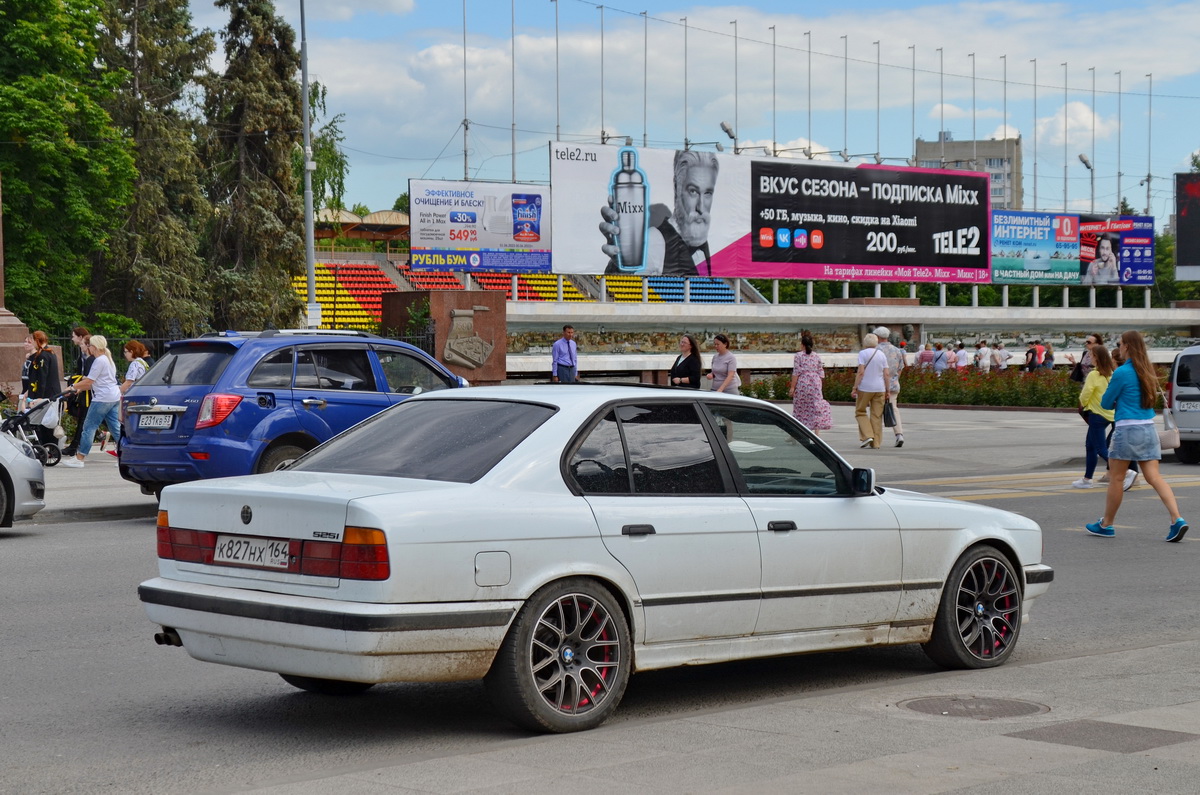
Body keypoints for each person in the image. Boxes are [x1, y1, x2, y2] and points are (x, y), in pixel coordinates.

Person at [1086, 330, 1187, 542]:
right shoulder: (1147, 371)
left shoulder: (1122, 373)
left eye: (1121, 343)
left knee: (1116, 478)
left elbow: (1105, 403)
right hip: (1148, 428)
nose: (1119, 346)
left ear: (1127, 347)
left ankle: (1107, 524)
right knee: (1155, 477)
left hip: (1126, 430)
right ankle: (1176, 519)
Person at [600, 149, 717, 276]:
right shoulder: (655, 241)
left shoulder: (702, 240)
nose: (701, 206)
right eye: (693, 191)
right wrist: (619, 266)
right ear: (676, 187)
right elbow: (619, 286)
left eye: (707, 193)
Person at [59, 335, 122, 469]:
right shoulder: (108, 359)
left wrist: (73, 387)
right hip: (113, 396)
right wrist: (79, 389)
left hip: (102, 398)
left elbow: (89, 381)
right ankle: (126, 456)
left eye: (90, 346)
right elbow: (93, 382)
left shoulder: (99, 361)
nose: (89, 348)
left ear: (94, 347)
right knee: (116, 428)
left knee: (88, 427)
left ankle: (80, 458)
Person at [1073, 344, 1116, 489]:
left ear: (1097, 357)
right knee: (1090, 446)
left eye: (1091, 355)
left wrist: (1083, 405)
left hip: (1096, 414)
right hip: (1109, 414)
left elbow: (1086, 394)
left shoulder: (1094, 374)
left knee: (1100, 448)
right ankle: (1087, 479)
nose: (1089, 357)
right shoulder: (1111, 374)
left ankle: (1126, 471)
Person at [19, 331, 62, 447]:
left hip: (46, 393)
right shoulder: (49, 353)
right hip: (52, 392)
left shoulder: (43, 356)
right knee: (48, 422)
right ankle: (50, 446)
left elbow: (42, 378)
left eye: (33, 341)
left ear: (37, 341)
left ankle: (46, 446)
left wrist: (38, 397)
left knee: (44, 423)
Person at [788, 330, 832, 435]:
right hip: (815, 383)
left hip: (803, 383)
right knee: (816, 407)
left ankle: (796, 433)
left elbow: (796, 372)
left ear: (802, 345)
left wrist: (792, 388)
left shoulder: (798, 356)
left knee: (800, 409)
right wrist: (818, 386)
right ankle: (817, 433)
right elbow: (821, 372)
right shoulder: (816, 356)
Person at [851, 332, 890, 449]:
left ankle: (867, 435)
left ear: (865, 342)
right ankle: (876, 443)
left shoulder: (862, 353)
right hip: (880, 388)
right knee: (876, 415)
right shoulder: (881, 354)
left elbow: (861, 372)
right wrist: (888, 390)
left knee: (860, 412)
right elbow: (886, 374)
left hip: (865, 388)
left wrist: (854, 387)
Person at [62, 327, 94, 457]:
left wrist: (77, 386)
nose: (72, 339)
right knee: (88, 420)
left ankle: (76, 448)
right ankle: (76, 447)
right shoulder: (84, 356)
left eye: (74, 336)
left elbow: (88, 376)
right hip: (87, 391)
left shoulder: (91, 358)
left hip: (91, 393)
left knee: (86, 421)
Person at [874, 326, 906, 448]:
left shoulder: (875, 350)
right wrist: (895, 379)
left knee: (876, 411)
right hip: (893, 384)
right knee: (894, 409)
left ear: (877, 337)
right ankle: (899, 434)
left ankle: (875, 438)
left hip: (878, 385)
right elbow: (901, 368)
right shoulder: (897, 350)